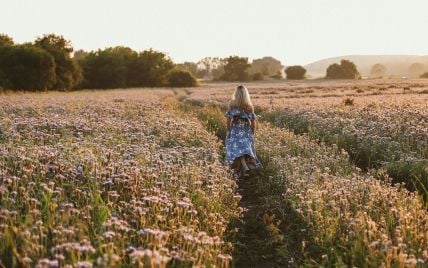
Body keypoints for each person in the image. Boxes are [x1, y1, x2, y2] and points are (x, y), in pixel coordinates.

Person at [225, 85, 261, 177]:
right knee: (244, 148)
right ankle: (244, 167)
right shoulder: (249, 106)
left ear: (236, 94)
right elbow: (253, 121)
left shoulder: (232, 104)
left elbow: (229, 118)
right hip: (246, 129)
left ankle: (242, 167)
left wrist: (229, 129)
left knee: (237, 147)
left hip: (235, 129)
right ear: (246, 94)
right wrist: (252, 132)